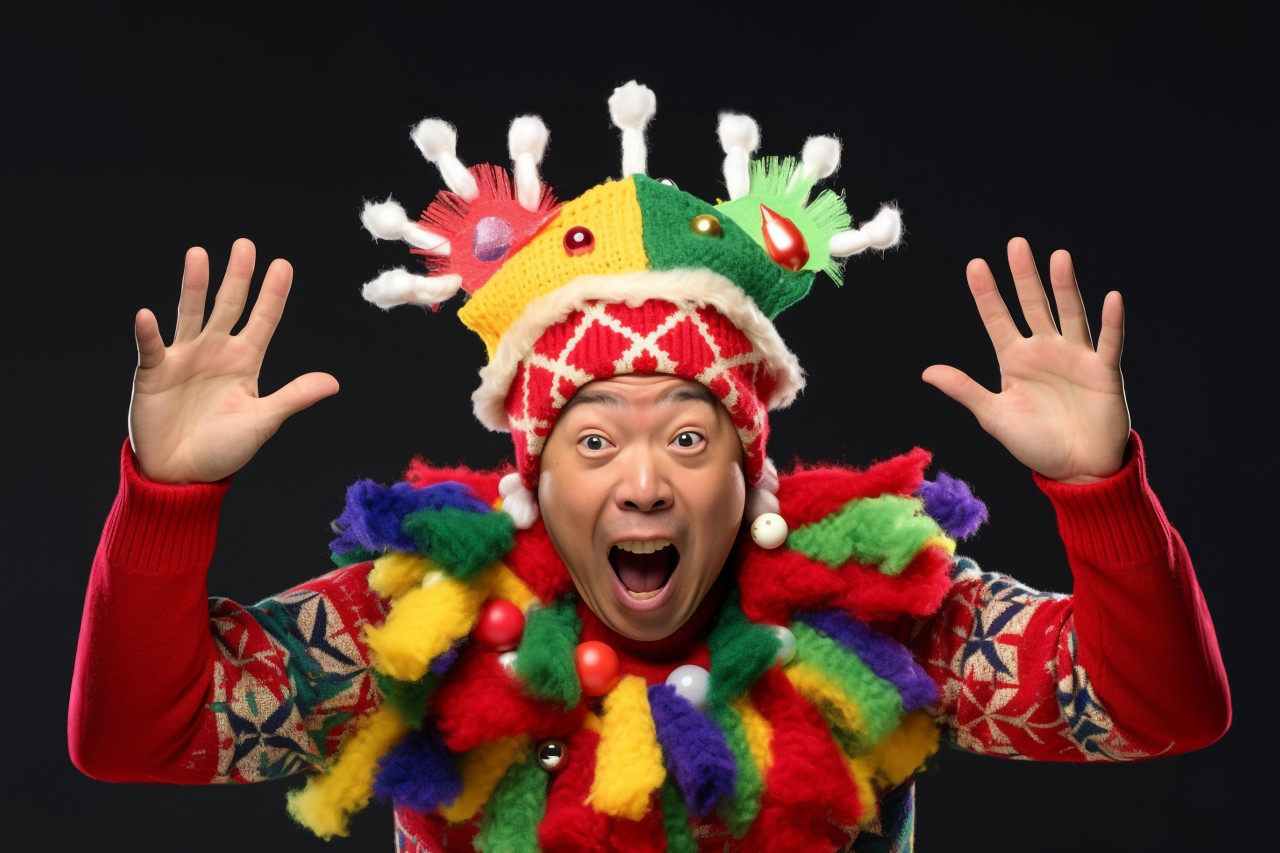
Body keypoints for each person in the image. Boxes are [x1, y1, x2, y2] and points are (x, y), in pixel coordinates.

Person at [68, 82, 1230, 852]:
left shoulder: (875, 620)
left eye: (687, 434)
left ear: (748, 463)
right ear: (531, 468)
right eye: (590, 438)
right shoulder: (424, 624)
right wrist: (165, 505)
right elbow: (137, 738)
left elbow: (1152, 712)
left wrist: (1102, 491)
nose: (642, 482)